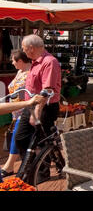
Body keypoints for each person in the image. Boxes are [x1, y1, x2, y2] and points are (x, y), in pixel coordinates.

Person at [15, 34, 61, 176]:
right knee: (21, 138)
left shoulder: (49, 62)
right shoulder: (35, 61)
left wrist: (37, 112)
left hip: (44, 108)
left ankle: (41, 172)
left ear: (31, 48)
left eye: (24, 48)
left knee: (42, 141)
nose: (23, 51)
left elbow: (46, 91)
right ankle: (32, 168)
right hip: (30, 106)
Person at [1, 50, 31, 177]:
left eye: (13, 60)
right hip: (15, 111)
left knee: (17, 137)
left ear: (20, 61)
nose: (12, 63)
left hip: (25, 110)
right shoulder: (20, 72)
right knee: (19, 137)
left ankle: (9, 165)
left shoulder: (30, 74)